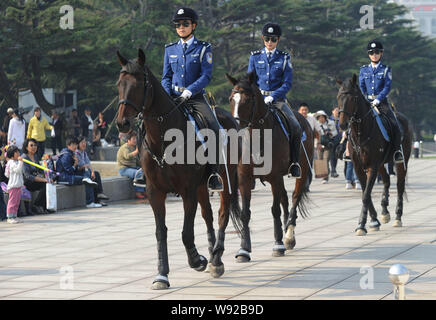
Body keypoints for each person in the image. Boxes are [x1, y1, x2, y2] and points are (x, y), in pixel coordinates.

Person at [161, 7, 224, 191]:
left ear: (193, 26)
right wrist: (167, 94)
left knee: (213, 127)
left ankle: (213, 173)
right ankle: (146, 168)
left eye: (185, 24)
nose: (181, 27)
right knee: (150, 123)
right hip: (173, 96)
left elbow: (206, 76)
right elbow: (166, 76)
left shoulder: (204, 48)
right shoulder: (170, 49)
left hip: (194, 97)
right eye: (178, 25)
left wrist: (189, 91)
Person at [247, 22, 302, 178]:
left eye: (273, 39)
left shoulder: (284, 58)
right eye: (267, 39)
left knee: (296, 126)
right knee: (242, 125)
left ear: (278, 40)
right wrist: (258, 97)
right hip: (258, 100)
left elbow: (287, 83)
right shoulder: (255, 57)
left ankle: (294, 163)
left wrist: (273, 96)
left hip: (277, 100)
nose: (269, 43)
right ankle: (244, 164)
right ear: (263, 39)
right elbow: (250, 81)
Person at [359, 40, 403, 164]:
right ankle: (348, 150)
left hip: (382, 103)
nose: (374, 54)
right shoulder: (363, 70)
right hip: (367, 103)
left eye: (377, 52)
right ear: (369, 54)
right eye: (372, 52)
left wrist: (378, 99)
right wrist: (367, 99)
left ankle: (397, 151)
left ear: (381, 53)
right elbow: (362, 86)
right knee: (354, 122)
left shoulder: (386, 69)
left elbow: (387, 87)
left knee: (395, 125)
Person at [56, 136, 102, 208]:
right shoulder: (66, 155)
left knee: (88, 177)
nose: (75, 146)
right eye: (73, 144)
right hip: (64, 178)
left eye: (76, 144)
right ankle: (90, 202)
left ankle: (94, 200)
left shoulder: (72, 153)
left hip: (69, 176)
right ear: (68, 145)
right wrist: (75, 164)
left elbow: (85, 165)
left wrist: (76, 166)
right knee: (87, 180)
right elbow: (69, 170)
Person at [22, 138, 53, 215]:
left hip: (35, 179)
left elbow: (40, 170)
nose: (34, 147)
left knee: (48, 184)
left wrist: (47, 177)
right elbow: (27, 176)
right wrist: (43, 180)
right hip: (27, 182)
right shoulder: (24, 158)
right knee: (44, 184)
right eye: (31, 145)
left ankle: (45, 207)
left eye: (35, 145)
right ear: (26, 147)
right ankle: (36, 205)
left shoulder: (35, 156)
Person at [76, 136, 109, 205]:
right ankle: (92, 201)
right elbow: (79, 166)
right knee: (89, 176)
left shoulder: (84, 153)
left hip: (85, 171)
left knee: (96, 174)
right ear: (77, 144)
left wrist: (92, 172)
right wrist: (88, 168)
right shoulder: (76, 153)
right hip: (79, 172)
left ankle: (99, 195)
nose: (84, 144)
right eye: (82, 142)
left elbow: (89, 164)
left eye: (84, 142)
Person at [117, 131, 146, 199]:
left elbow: (137, 161)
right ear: (128, 140)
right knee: (139, 173)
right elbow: (127, 156)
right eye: (133, 139)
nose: (135, 140)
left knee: (145, 171)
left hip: (132, 167)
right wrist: (136, 152)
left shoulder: (133, 147)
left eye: (136, 139)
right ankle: (139, 192)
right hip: (124, 169)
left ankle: (145, 190)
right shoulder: (125, 147)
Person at [315, 110, 338, 184]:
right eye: (319, 117)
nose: (321, 119)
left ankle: (325, 177)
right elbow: (314, 135)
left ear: (325, 117)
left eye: (322, 117)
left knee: (325, 160)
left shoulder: (331, 123)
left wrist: (330, 133)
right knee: (320, 159)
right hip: (319, 144)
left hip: (328, 144)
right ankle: (323, 175)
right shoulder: (316, 124)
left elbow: (335, 132)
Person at [4, 146, 24, 224]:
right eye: (16, 152)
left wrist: (19, 162)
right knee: (12, 202)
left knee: (17, 202)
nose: (18, 154)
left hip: (18, 185)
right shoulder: (11, 162)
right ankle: (10, 217)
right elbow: (17, 170)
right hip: (13, 185)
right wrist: (21, 162)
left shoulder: (15, 162)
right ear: (12, 154)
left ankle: (14, 216)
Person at [328, 106, 341, 178]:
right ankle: (333, 170)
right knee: (332, 155)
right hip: (332, 140)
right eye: (336, 110)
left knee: (337, 155)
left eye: (338, 110)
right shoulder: (329, 120)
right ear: (332, 111)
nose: (337, 112)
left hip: (340, 140)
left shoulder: (342, 119)